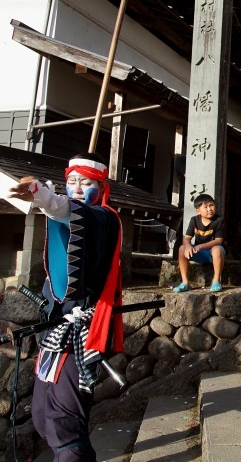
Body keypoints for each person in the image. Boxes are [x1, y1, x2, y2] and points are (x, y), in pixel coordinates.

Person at [8, 153, 123, 461]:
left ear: (101, 186)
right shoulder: (76, 210)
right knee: (43, 415)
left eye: (85, 183)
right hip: (55, 331)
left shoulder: (105, 218)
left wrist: (42, 195)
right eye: (71, 182)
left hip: (81, 334)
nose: (76, 188)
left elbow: (70, 211)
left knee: (64, 423)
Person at [173, 193, 225, 293]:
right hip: (199, 252)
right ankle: (185, 282)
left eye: (211, 205)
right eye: (205, 207)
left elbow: (218, 240)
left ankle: (216, 281)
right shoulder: (194, 220)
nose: (210, 209)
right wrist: (188, 245)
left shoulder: (219, 220)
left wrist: (201, 246)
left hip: (214, 253)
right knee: (182, 248)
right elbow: (187, 237)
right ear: (198, 211)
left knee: (217, 249)